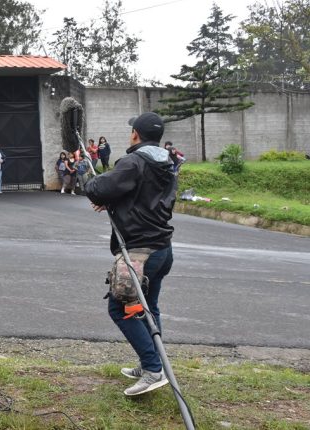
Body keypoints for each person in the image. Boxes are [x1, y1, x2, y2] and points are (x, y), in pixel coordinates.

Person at [84, 112, 176, 397]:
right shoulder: (167, 162)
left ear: (135, 134)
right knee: (149, 308)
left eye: (130, 131)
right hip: (162, 248)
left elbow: (98, 188)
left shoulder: (134, 161)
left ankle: (152, 369)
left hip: (139, 252)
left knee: (121, 310)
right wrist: (113, 199)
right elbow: (141, 197)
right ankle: (153, 362)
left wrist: (90, 181)